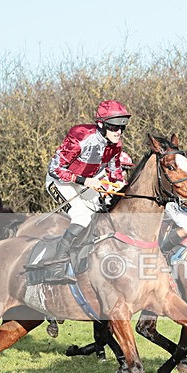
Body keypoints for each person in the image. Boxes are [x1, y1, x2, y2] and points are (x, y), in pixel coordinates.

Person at [43, 99, 130, 283]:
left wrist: (119, 187)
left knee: (105, 212)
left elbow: (115, 174)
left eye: (121, 127)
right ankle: (55, 266)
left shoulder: (116, 146)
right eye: (114, 127)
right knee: (82, 217)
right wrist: (85, 180)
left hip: (86, 183)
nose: (119, 132)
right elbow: (55, 169)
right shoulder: (80, 135)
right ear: (101, 124)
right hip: (60, 181)